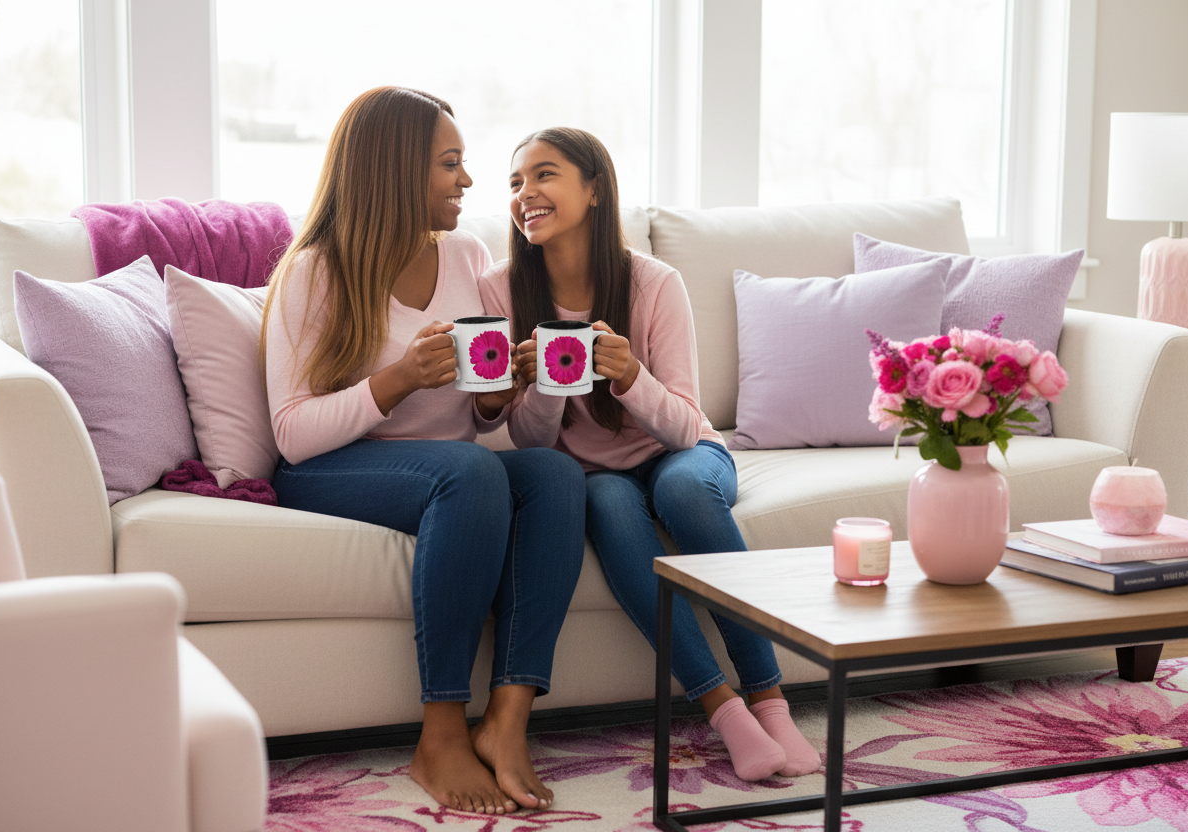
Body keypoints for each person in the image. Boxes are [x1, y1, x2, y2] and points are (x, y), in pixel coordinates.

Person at [260, 88, 585, 814]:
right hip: (332, 470)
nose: (468, 181)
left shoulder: (469, 256)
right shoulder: (313, 271)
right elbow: (291, 433)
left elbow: (478, 413)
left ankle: (507, 720)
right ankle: (439, 733)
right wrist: (400, 377)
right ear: (394, 170)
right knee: (471, 473)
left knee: (556, 475)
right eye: (450, 163)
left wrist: (502, 394)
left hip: (449, 469)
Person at [478, 127, 821, 782]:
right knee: (605, 496)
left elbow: (688, 425)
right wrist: (546, 387)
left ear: (594, 189)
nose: (526, 194)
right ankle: (725, 711)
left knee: (683, 491)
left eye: (544, 175)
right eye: (516, 182)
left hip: (683, 453)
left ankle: (772, 701)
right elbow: (532, 443)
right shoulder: (500, 291)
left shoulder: (654, 282)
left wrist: (631, 377)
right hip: (592, 473)